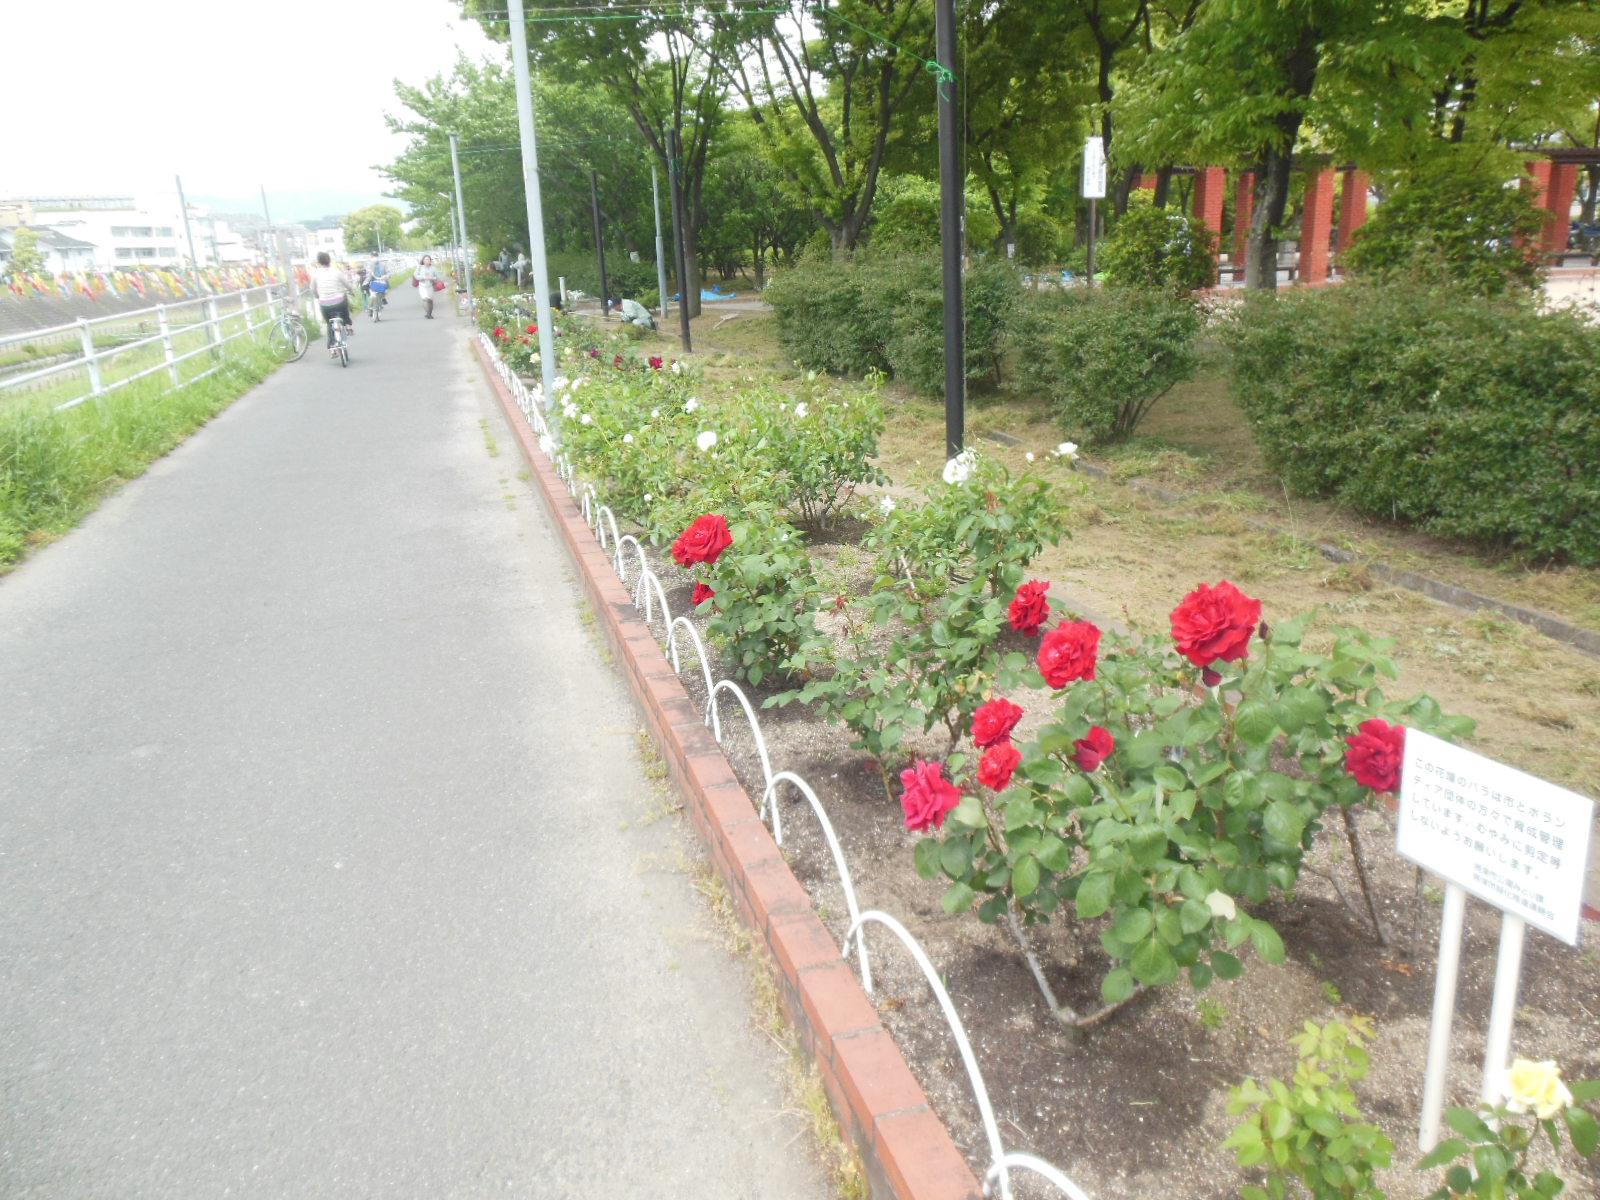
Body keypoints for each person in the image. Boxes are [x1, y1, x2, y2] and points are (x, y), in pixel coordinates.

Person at [310, 251, 354, 351]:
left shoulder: (315, 274)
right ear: (329, 260)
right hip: (339, 303)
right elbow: (347, 284)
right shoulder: (336, 272)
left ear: (318, 262)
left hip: (325, 305)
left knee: (329, 324)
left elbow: (312, 289)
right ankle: (348, 324)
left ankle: (332, 348)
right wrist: (351, 290)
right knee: (344, 300)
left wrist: (317, 296)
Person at [413, 254, 441, 319]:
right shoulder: (419, 267)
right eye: (426, 259)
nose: (427, 260)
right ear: (423, 260)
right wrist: (424, 277)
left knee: (430, 300)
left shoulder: (433, 268)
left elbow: (437, 277)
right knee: (425, 299)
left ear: (430, 260)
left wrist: (432, 278)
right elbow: (416, 276)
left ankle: (430, 313)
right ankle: (427, 313)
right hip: (422, 285)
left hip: (430, 286)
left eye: (428, 259)